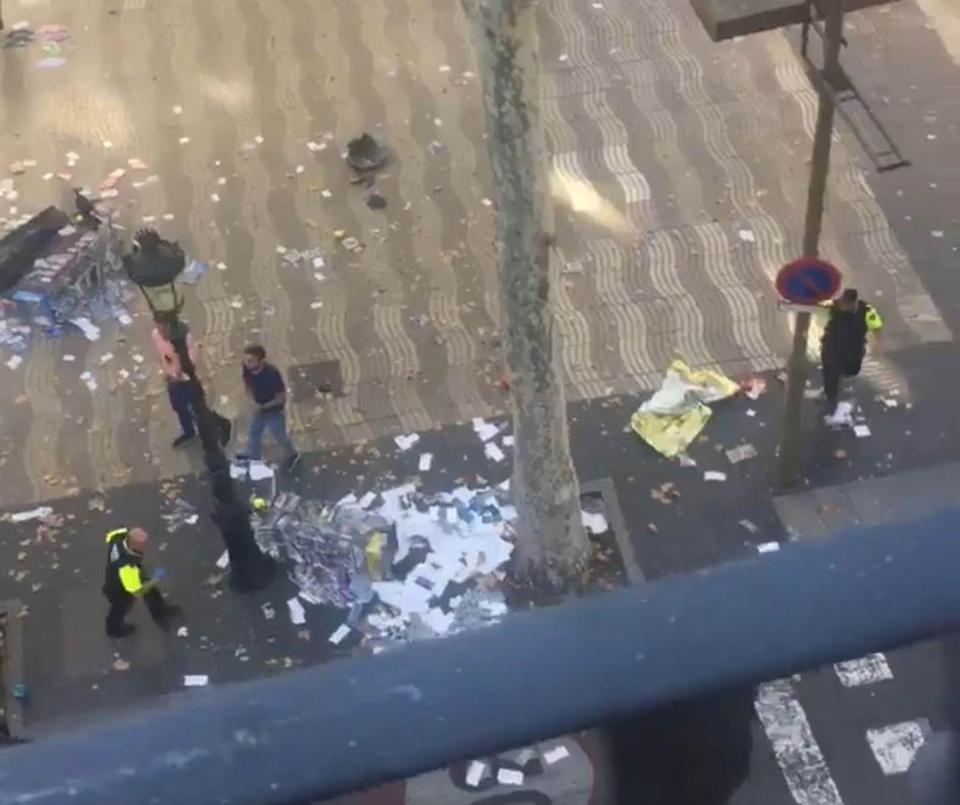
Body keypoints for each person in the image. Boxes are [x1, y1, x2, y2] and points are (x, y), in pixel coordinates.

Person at [103, 527, 180, 638]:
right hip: (119, 587)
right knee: (121, 605)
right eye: (144, 544)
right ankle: (114, 629)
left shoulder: (119, 537)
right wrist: (155, 579)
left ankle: (159, 611)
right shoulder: (128, 567)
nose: (147, 546)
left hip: (116, 572)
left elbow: (110, 535)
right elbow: (138, 590)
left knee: (150, 589)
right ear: (135, 546)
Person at [819, 288, 882, 422]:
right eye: (843, 303)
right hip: (833, 347)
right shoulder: (834, 305)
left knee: (849, 370)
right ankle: (831, 398)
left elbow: (876, 326)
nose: (844, 306)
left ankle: (837, 389)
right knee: (831, 372)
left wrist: (877, 344)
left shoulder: (866, 310)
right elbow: (819, 305)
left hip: (853, 348)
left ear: (854, 302)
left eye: (847, 304)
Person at [242, 344, 300, 470]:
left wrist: (263, 407)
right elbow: (248, 386)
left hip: (274, 411)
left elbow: (281, 397)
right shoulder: (247, 369)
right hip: (258, 409)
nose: (247, 363)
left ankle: (292, 455)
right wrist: (252, 402)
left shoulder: (271, 374)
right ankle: (254, 459)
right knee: (254, 434)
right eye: (246, 360)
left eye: (251, 361)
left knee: (279, 436)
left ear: (260, 360)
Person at [152, 319, 200, 448]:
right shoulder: (156, 335)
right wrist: (166, 371)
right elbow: (161, 354)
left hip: (185, 379)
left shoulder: (184, 337)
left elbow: (192, 360)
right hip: (172, 379)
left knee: (195, 404)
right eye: (159, 327)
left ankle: (202, 424)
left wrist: (177, 374)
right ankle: (189, 430)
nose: (162, 332)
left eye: (164, 328)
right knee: (178, 406)